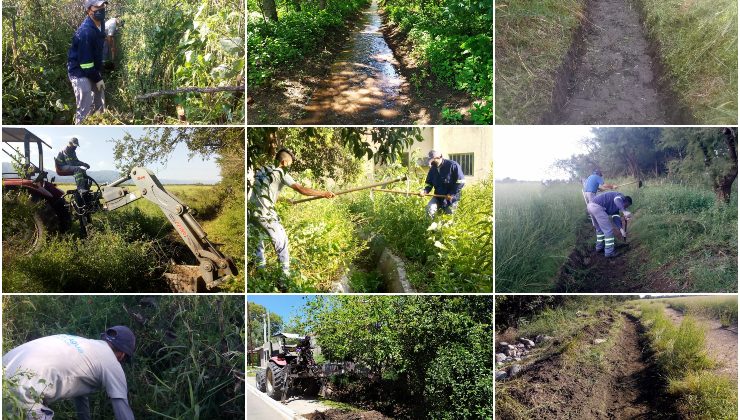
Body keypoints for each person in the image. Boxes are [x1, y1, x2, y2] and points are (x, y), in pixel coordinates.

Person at [3, 326, 136, 420]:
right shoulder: (112, 363)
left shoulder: (87, 346)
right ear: (122, 355)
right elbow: (122, 410)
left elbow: (80, 394)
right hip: (21, 389)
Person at [248, 148, 335, 282]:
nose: (289, 167)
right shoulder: (281, 171)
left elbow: (264, 193)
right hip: (266, 215)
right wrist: (324, 193)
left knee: (258, 245)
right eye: (289, 164)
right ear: (283, 162)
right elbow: (301, 189)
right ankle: (284, 278)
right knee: (282, 243)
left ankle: (260, 274)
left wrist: (284, 200)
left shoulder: (262, 170)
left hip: (252, 213)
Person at [68, 0, 108, 124]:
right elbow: (85, 63)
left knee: (100, 100)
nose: (101, 8)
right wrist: (97, 78)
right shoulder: (85, 32)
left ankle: (99, 122)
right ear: (89, 10)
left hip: (92, 69)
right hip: (79, 72)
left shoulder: (100, 24)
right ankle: (81, 123)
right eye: (97, 6)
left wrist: (99, 72)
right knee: (85, 106)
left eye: (103, 5)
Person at [420, 150, 465, 219]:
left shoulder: (452, 165)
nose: (430, 162)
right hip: (438, 196)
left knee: (448, 219)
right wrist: (425, 191)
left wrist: (451, 193)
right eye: (430, 160)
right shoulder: (433, 169)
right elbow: (429, 183)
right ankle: (430, 228)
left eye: (432, 160)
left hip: (451, 199)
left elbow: (461, 182)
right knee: (429, 209)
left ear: (439, 157)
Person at [587, 191, 633, 257]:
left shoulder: (617, 207)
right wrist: (624, 211)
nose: (626, 207)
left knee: (600, 229)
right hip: (597, 207)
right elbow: (616, 200)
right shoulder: (620, 196)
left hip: (591, 207)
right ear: (625, 201)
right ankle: (609, 252)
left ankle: (599, 247)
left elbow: (616, 218)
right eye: (626, 205)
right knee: (608, 231)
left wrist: (621, 230)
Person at [55, 138, 91, 206]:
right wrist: (80, 165)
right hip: (62, 166)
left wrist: (84, 164)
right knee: (77, 169)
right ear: (70, 143)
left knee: (82, 170)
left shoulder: (73, 151)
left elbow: (76, 161)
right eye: (74, 145)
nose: (75, 147)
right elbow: (71, 164)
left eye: (76, 145)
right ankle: (81, 189)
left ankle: (85, 187)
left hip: (67, 164)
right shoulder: (66, 150)